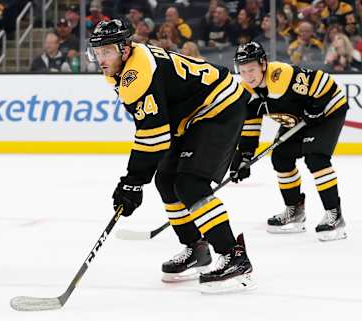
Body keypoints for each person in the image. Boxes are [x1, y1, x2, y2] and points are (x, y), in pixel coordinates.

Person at [87, 18, 255, 293]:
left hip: (220, 106)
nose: (100, 58)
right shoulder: (121, 69)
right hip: (193, 114)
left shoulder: (137, 74)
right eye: (97, 51)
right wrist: (137, 180)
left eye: (107, 51)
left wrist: (132, 182)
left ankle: (234, 255)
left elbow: (153, 135)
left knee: (190, 184)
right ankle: (196, 248)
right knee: (165, 180)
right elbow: (156, 130)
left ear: (125, 48)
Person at [230, 41, 348, 242]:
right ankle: (295, 211)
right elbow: (251, 124)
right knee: (281, 158)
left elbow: (324, 81)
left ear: (263, 64)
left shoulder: (280, 75)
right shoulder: (245, 91)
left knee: (316, 159)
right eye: (243, 71)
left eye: (252, 69)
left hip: (327, 111)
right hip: (298, 118)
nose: (248, 75)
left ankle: (334, 214)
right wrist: (244, 156)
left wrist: (317, 107)